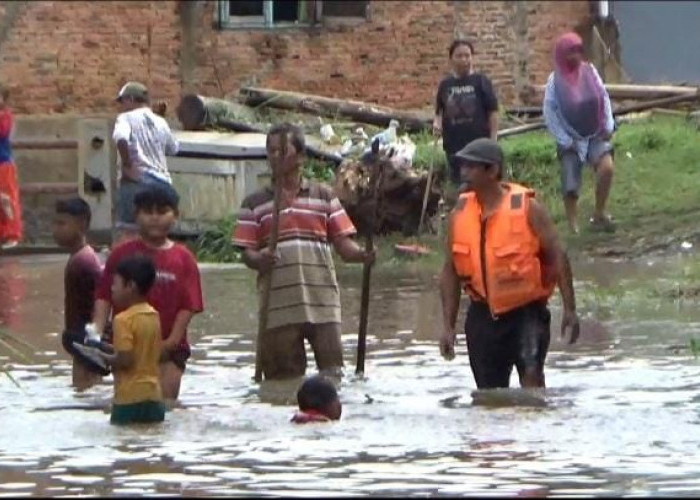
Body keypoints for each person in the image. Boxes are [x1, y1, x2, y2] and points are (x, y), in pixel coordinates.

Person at [232, 123, 374, 381]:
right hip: (277, 305)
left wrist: (362, 255)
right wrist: (260, 259)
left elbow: (343, 245)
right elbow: (247, 254)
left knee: (333, 375)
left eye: (282, 151)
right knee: (281, 381)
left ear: (300, 156)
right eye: (271, 151)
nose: (275, 157)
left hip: (322, 302)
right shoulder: (254, 204)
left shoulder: (324, 196)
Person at [438, 138, 580, 390]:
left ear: (492, 171)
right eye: (463, 166)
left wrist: (570, 309)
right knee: (489, 396)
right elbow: (450, 270)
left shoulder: (528, 208)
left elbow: (558, 254)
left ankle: (535, 429)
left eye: (471, 167)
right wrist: (448, 326)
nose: (463, 172)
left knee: (532, 383)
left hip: (526, 314)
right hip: (482, 317)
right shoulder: (458, 215)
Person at [93, 184, 204, 401]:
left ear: (175, 215)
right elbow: (104, 296)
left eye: (162, 212)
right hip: (127, 348)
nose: (154, 218)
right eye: (147, 212)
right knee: (128, 401)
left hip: (170, 350)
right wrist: (96, 333)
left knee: (165, 406)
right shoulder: (121, 254)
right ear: (136, 215)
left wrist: (170, 342)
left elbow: (188, 307)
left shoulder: (184, 259)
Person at [543, 32, 616, 234]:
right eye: (569, 52)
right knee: (570, 184)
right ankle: (573, 225)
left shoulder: (590, 72)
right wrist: (565, 140)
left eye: (577, 50)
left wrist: (608, 125)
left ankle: (599, 213)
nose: (574, 55)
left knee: (607, 168)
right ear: (561, 55)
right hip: (569, 138)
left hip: (595, 133)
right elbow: (549, 113)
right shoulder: (554, 82)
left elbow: (603, 96)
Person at [98, 255, 166, 425]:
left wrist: (102, 357)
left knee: (124, 446)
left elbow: (125, 360)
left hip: (129, 398)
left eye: (116, 283)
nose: (112, 289)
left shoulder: (123, 320)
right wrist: (109, 348)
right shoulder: (153, 315)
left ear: (131, 286)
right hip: (154, 397)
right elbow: (143, 349)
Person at [113, 81, 179, 244]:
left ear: (130, 99)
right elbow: (173, 148)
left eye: (122, 101)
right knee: (158, 235)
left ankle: (128, 266)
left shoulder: (125, 118)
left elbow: (121, 138)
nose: (122, 106)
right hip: (162, 183)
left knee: (128, 232)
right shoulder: (161, 122)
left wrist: (127, 164)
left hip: (137, 181)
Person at [52, 198, 106, 389]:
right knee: (85, 392)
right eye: (55, 223)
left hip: (86, 344)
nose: (55, 230)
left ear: (81, 224)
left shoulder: (83, 262)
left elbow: (100, 303)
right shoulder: (80, 257)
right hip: (80, 342)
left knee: (86, 389)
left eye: (62, 223)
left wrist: (94, 342)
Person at [433, 40, 499, 191]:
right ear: (451, 59)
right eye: (459, 56)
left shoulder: (481, 81)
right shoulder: (445, 85)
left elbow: (493, 112)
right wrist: (437, 123)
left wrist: (493, 139)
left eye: (467, 56)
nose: (464, 60)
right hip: (453, 146)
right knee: (459, 186)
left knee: (480, 185)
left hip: (479, 144)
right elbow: (439, 111)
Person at [0, 84, 23, 249]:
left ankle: (13, 234)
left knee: (8, 199)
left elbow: (2, 131)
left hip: (4, 164)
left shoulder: (5, 117)